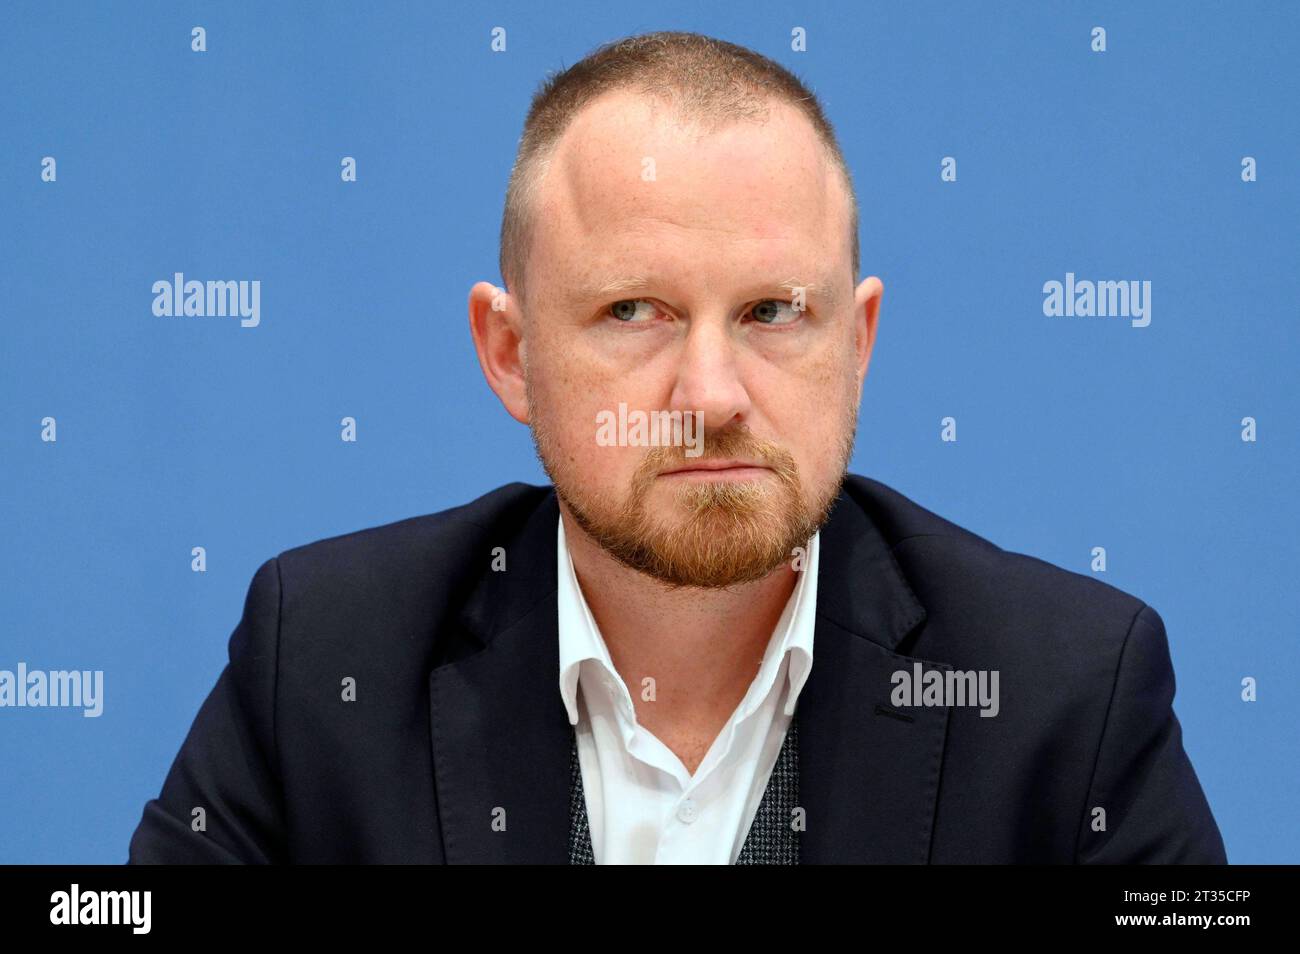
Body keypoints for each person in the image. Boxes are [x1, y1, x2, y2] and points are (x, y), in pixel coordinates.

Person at [128, 31, 1226, 864]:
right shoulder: (323, 663)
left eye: (772, 313)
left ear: (856, 343)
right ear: (509, 354)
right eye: (633, 312)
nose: (711, 397)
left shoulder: (1065, 693)